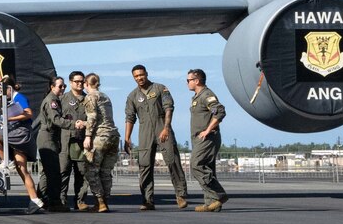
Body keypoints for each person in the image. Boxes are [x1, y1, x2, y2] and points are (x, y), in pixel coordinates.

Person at [123, 64, 188, 210]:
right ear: (134, 78)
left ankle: (181, 195)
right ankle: (147, 200)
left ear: (146, 73)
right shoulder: (132, 96)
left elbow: (169, 108)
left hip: (162, 127)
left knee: (172, 161)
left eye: (141, 75)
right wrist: (127, 138)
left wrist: (166, 128)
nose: (139, 78)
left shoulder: (160, 88)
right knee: (145, 166)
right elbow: (129, 118)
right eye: (136, 76)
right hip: (144, 131)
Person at [0, 77, 44, 211]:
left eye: (3, 90)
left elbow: (28, 114)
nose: (1, 92)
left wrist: (9, 118)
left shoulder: (19, 97)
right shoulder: (8, 99)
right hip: (16, 132)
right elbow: (0, 109)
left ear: (10, 88)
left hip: (20, 132)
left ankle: (6, 160)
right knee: (22, 170)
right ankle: (34, 200)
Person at [186, 68, 231, 212]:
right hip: (199, 138)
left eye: (189, 80)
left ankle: (219, 194)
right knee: (208, 168)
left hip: (207, 137)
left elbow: (219, 111)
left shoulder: (206, 95)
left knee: (196, 165)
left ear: (197, 81)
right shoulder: (197, 97)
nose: (187, 83)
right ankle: (211, 203)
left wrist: (207, 130)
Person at [80, 72, 116, 211]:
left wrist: (88, 136)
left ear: (86, 84)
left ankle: (100, 201)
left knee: (91, 170)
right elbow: (103, 118)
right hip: (112, 135)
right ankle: (105, 200)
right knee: (106, 172)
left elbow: (93, 117)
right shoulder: (105, 96)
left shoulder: (90, 97)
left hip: (99, 137)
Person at [34, 76, 70, 210]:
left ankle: (41, 199)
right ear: (52, 87)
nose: (62, 88)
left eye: (64, 86)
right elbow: (56, 120)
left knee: (47, 172)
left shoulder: (55, 100)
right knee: (54, 172)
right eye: (60, 86)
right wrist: (73, 124)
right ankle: (54, 202)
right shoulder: (51, 101)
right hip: (48, 138)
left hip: (50, 138)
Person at [58, 69, 89, 208]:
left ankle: (80, 201)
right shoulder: (62, 99)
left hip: (81, 141)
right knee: (63, 171)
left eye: (82, 81)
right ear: (70, 83)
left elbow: (95, 120)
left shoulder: (88, 99)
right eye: (77, 81)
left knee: (81, 172)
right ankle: (61, 200)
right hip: (65, 140)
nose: (80, 84)